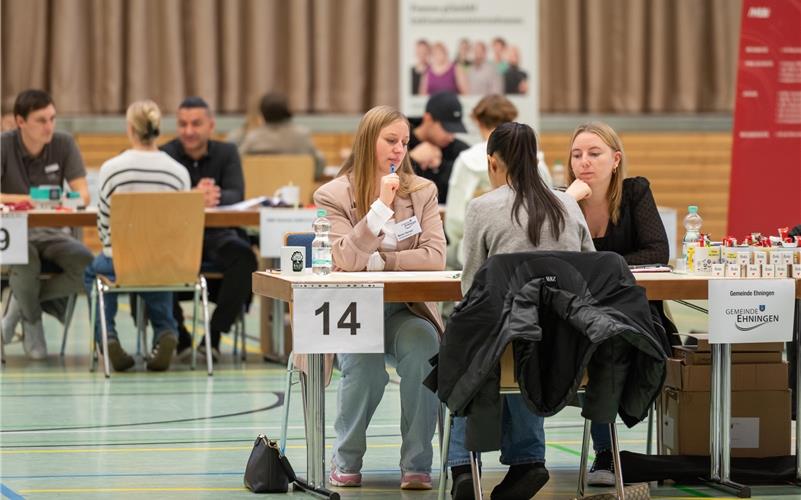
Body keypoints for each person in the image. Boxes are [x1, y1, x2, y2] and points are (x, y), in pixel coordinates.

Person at [450, 122, 594, 499]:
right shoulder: (567, 204)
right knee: (528, 338)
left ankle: (463, 465)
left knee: (467, 351)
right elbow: (592, 268)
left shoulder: (483, 207)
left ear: (493, 162)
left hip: (504, 344)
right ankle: (529, 461)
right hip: (566, 347)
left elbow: (472, 286)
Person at [313, 105, 446, 490]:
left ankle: (417, 464)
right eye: (391, 141)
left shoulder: (422, 191)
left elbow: (435, 258)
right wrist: (379, 210)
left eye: (405, 142)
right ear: (368, 140)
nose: (399, 150)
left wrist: (378, 261)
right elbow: (343, 257)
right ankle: (347, 459)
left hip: (407, 309)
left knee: (424, 349)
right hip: (353, 311)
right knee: (365, 369)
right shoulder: (333, 194)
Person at [565, 121, 669, 486]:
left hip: (634, 311)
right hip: (580, 312)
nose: (584, 162)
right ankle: (599, 450)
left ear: (615, 160)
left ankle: (606, 452)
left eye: (594, 154)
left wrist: (601, 265)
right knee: (594, 339)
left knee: (610, 341)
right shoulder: (562, 200)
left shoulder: (635, 192)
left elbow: (658, 252)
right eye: (577, 155)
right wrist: (568, 204)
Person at [83, 100, 191, 372]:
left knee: (95, 271)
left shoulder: (111, 169)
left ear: (130, 129)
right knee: (157, 267)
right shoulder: (178, 173)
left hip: (120, 261)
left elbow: (104, 222)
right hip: (163, 263)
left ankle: (106, 336)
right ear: (158, 129)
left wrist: (116, 248)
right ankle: (166, 331)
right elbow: (181, 228)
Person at [161, 97, 258, 361]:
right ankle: (179, 337)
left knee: (245, 257)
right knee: (151, 263)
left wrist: (209, 196)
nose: (189, 131)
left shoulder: (227, 152)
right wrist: (194, 197)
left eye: (196, 124)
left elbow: (236, 194)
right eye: (182, 124)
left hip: (218, 236)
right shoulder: (165, 154)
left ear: (211, 125)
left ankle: (213, 338)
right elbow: (160, 199)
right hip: (177, 238)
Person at [0, 89, 93, 360]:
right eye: (41, 120)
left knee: (88, 266)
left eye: (52, 118)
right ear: (20, 122)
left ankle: (20, 307)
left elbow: (83, 195)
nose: (49, 126)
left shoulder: (64, 144)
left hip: (53, 232)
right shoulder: (4, 145)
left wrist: (64, 199)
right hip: (14, 233)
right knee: (25, 260)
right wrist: (31, 200)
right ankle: (33, 323)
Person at [445, 95, 553, 267]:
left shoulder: (467, 161)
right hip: (535, 251)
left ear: (478, 122)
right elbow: (549, 204)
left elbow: (455, 221)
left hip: (481, 255)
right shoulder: (535, 159)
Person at [237, 92, 326, 178]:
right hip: (297, 189)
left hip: (258, 191)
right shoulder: (302, 136)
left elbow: (238, 164)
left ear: (262, 113)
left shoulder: (253, 138)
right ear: (288, 111)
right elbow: (318, 166)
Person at [408, 92, 470, 204]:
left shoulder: (460, 151)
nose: (451, 137)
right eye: (447, 129)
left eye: (454, 130)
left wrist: (441, 167)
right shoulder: (400, 142)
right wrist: (410, 160)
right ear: (428, 119)